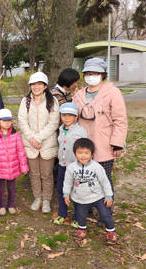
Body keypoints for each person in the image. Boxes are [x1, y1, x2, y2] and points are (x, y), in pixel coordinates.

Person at [73, 58, 127, 225]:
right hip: (83, 145)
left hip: (104, 143)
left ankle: (105, 212)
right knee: (83, 175)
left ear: (103, 75)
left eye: (95, 73)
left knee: (103, 178)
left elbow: (120, 119)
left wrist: (118, 142)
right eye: (88, 73)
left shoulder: (113, 92)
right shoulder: (79, 94)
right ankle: (86, 205)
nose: (91, 76)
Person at [18, 72, 60, 213]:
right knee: (34, 174)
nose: (36, 87)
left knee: (47, 174)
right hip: (30, 143)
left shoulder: (52, 101)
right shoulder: (25, 101)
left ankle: (47, 199)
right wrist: (32, 138)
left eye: (39, 84)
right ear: (30, 86)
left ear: (45, 86)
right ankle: (37, 197)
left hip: (47, 143)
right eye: (33, 84)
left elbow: (53, 122)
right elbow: (22, 121)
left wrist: (39, 138)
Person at [63, 138, 117, 245]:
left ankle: (111, 232)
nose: (83, 156)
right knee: (81, 215)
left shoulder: (97, 167)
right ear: (75, 153)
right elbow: (67, 182)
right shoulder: (71, 168)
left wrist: (108, 196)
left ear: (92, 154)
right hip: (80, 198)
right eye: (80, 153)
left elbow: (105, 182)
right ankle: (82, 229)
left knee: (105, 215)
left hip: (98, 197)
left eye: (87, 153)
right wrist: (66, 194)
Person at [0, 109, 29, 216]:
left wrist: (24, 167)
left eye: (9, 120)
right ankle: (2, 205)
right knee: (0, 188)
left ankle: (11, 205)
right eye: (4, 120)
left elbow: (20, 151)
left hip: (12, 168)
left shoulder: (15, 135)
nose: (7, 123)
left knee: (11, 187)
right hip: (0, 168)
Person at [53, 103, 88, 228]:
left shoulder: (81, 131)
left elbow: (85, 148)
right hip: (63, 165)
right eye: (64, 115)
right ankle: (62, 213)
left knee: (77, 191)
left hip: (76, 167)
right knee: (62, 189)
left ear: (76, 116)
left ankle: (78, 217)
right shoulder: (61, 129)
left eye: (70, 115)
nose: (66, 118)